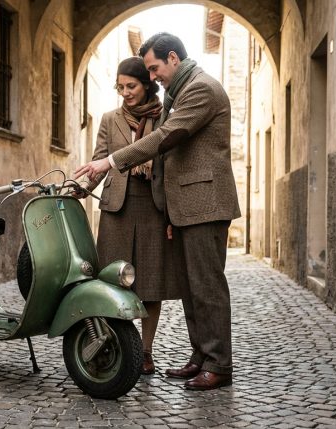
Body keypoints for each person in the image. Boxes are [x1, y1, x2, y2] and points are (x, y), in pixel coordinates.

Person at [73, 33, 241, 391]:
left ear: (173, 59)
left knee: (207, 287)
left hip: (204, 203)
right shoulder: (180, 92)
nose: (153, 77)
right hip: (186, 206)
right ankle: (200, 357)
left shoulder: (201, 89)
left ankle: (219, 365)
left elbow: (167, 136)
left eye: (154, 68)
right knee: (193, 287)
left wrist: (112, 160)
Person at [76, 57, 184, 376]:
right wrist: (80, 188)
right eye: (120, 87)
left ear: (147, 84)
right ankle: (119, 344)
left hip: (153, 207)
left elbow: (171, 164)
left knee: (150, 284)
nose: (125, 92)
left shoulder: (167, 117)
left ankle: (146, 352)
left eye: (131, 86)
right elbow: (98, 163)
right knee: (112, 282)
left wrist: (170, 216)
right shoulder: (110, 119)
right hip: (116, 209)